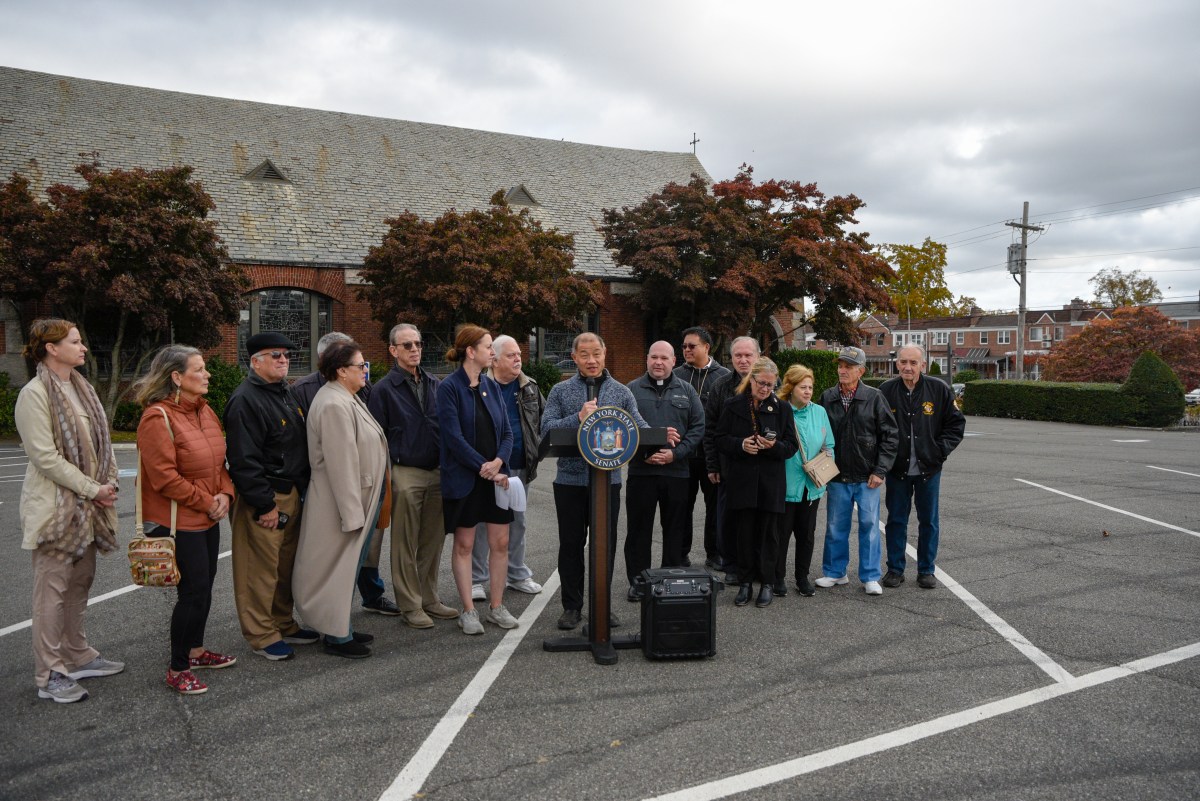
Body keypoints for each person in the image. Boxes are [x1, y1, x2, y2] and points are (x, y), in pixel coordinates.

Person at [15, 319, 123, 703]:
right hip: (56, 510)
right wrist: (92, 488)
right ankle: (50, 674)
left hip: (87, 508)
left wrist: (106, 481)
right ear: (50, 348)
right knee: (52, 591)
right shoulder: (34, 393)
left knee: (80, 583)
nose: (83, 348)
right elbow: (44, 457)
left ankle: (76, 655)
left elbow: (100, 443)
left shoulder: (81, 387)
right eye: (75, 342)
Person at [133, 345, 237, 695]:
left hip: (206, 516)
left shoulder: (205, 412)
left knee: (205, 586)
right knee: (192, 592)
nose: (207, 374)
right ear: (177, 377)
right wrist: (207, 501)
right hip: (177, 521)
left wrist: (225, 493)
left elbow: (219, 462)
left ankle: (196, 650)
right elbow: (163, 477)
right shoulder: (156, 418)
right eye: (200, 369)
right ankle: (178, 667)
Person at [541, 332, 653, 630]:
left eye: (597, 354)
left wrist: (657, 437)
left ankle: (601, 605)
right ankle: (572, 606)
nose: (591, 360)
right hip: (570, 483)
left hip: (608, 483)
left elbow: (638, 426)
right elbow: (546, 429)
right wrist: (577, 417)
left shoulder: (621, 392)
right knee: (571, 545)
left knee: (606, 546)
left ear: (605, 355)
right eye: (585, 355)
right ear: (574, 357)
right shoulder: (560, 391)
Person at [293, 340, 390, 658]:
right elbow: (341, 463)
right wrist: (352, 514)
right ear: (340, 371)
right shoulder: (335, 403)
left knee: (346, 568)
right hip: (344, 504)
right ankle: (336, 636)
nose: (365, 370)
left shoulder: (346, 397)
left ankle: (340, 626)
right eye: (360, 365)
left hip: (357, 499)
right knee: (337, 568)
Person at [224, 332, 315, 661]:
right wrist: (264, 505)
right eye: (274, 354)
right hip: (267, 497)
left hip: (291, 491)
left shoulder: (283, 393)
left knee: (283, 566)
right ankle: (261, 634)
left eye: (286, 354)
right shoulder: (246, 398)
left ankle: (282, 621)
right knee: (258, 570)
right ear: (255, 361)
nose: (283, 359)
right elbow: (243, 459)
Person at [367, 324, 459, 629]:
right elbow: (375, 438)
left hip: (438, 471)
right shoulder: (382, 390)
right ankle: (410, 604)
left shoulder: (435, 383)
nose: (415, 349)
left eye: (418, 343)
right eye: (407, 345)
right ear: (393, 350)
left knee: (432, 541)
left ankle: (429, 598)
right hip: (405, 471)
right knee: (405, 543)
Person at [437, 325, 519, 635]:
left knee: (500, 542)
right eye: (488, 347)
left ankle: (497, 607)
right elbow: (452, 437)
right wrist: (482, 466)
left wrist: (498, 462)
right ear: (471, 351)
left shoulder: (492, 386)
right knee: (465, 544)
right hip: (466, 479)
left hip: (495, 477)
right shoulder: (448, 388)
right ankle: (468, 611)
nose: (493, 353)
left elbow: (507, 431)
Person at [879, 345, 965, 590]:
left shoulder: (938, 389)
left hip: (929, 470)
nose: (908, 367)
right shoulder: (886, 391)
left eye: (913, 363)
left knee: (929, 521)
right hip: (898, 470)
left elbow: (955, 425)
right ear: (897, 364)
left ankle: (926, 570)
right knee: (896, 520)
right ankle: (895, 569)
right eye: (903, 362)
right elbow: (877, 428)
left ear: (923, 365)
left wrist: (940, 452)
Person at [715, 356, 798, 608]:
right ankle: (744, 582)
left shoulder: (782, 408)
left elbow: (791, 445)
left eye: (770, 385)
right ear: (751, 380)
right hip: (742, 481)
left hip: (771, 483)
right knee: (744, 534)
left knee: (768, 535)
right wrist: (741, 445)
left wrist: (773, 447)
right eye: (761, 383)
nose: (765, 389)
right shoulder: (732, 405)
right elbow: (719, 439)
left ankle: (768, 583)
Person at [817, 346, 898, 596]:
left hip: (867, 476)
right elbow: (818, 433)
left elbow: (890, 436)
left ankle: (871, 576)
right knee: (835, 526)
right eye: (840, 365)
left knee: (869, 526)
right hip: (837, 476)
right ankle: (835, 572)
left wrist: (880, 470)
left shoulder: (874, 397)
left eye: (849, 366)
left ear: (861, 370)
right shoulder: (827, 396)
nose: (843, 370)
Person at [625, 340, 703, 596]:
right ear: (647, 359)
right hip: (641, 473)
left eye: (664, 358)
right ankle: (639, 582)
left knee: (674, 531)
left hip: (676, 473)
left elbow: (697, 428)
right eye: (654, 357)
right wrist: (642, 453)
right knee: (639, 531)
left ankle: (669, 581)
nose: (658, 362)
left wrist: (675, 454)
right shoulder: (631, 391)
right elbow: (622, 429)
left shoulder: (688, 391)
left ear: (673, 361)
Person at [470, 335, 544, 601]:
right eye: (511, 355)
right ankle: (475, 579)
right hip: (486, 470)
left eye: (520, 355)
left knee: (518, 523)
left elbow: (542, 423)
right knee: (479, 523)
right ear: (495, 359)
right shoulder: (478, 386)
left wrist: (537, 453)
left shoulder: (530, 388)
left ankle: (516, 575)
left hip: (519, 468)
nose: (518, 359)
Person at [703, 335, 760, 582]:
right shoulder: (721, 386)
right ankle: (732, 567)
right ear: (731, 357)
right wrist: (713, 465)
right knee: (729, 519)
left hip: (763, 468)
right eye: (738, 355)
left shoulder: (773, 382)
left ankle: (758, 567)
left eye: (748, 355)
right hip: (729, 466)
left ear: (758, 357)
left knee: (760, 520)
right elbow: (710, 428)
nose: (743, 360)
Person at [774, 364, 834, 598]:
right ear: (791, 387)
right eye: (803, 387)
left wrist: (825, 462)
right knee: (781, 535)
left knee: (806, 535)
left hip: (812, 486)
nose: (808, 391)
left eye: (810, 387)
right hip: (786, 485)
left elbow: (829, 444)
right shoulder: (780, 411)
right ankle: (778, 578)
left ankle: (802, 578)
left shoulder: (819, 411)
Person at [674, 327, 730, 569]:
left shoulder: (724, 376)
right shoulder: (675, 376)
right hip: (684, 455)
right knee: (682, 507)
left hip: (711, 455)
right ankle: (681, 553)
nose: (686, 350)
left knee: (715, 507)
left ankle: (714, 553)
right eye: (684, 346)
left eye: (692, 346)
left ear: (707, 347)